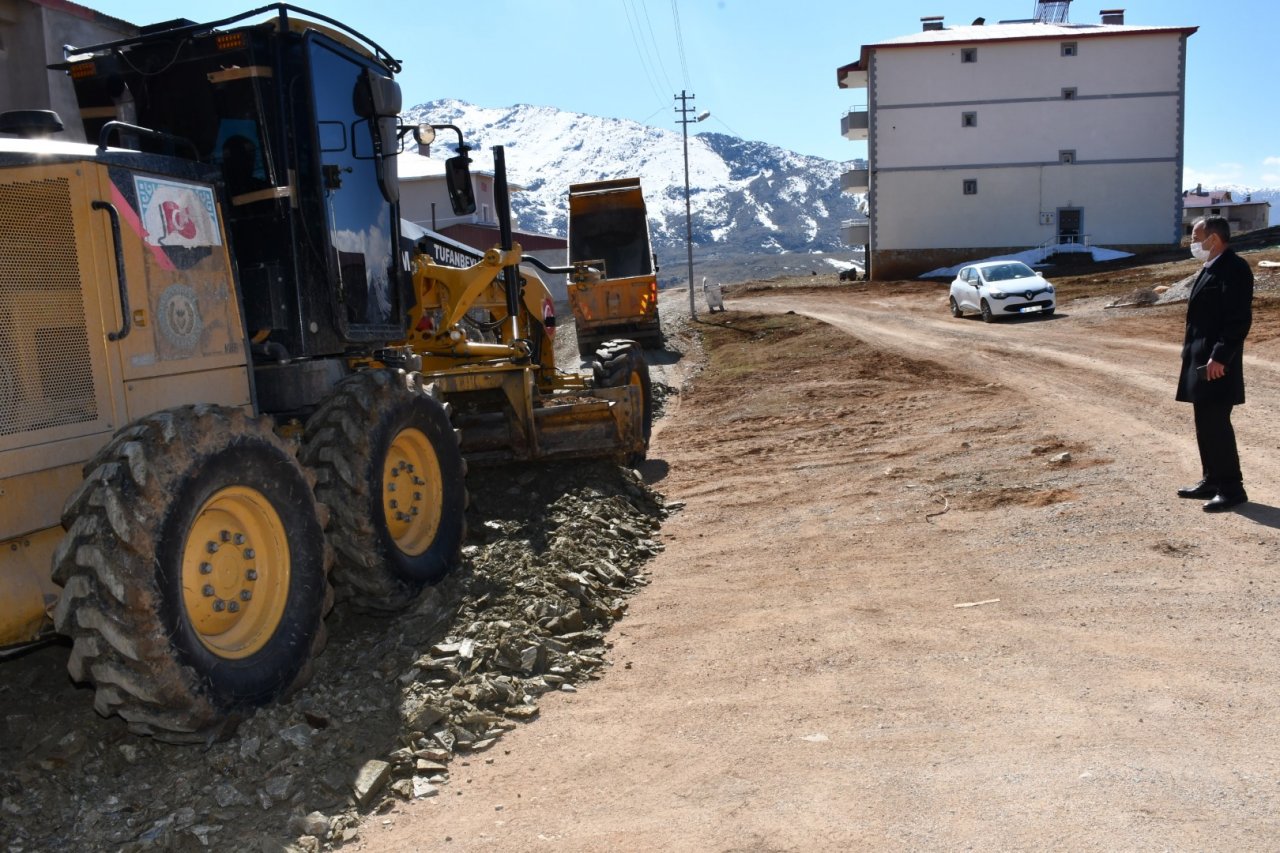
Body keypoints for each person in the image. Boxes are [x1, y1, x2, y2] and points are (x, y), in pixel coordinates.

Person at [1175, 215, 1253, 512]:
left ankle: (1232, 489)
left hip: (1217, 363)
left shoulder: (1234, 269)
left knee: (1217, 425)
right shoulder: (1211, 268)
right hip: (1199, 361)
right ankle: (1212, 479)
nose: (1193, 243)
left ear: (1214, 239)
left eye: (1196, 237)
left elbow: (1237, 320)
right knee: (1204, 423)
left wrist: (1220, 356)